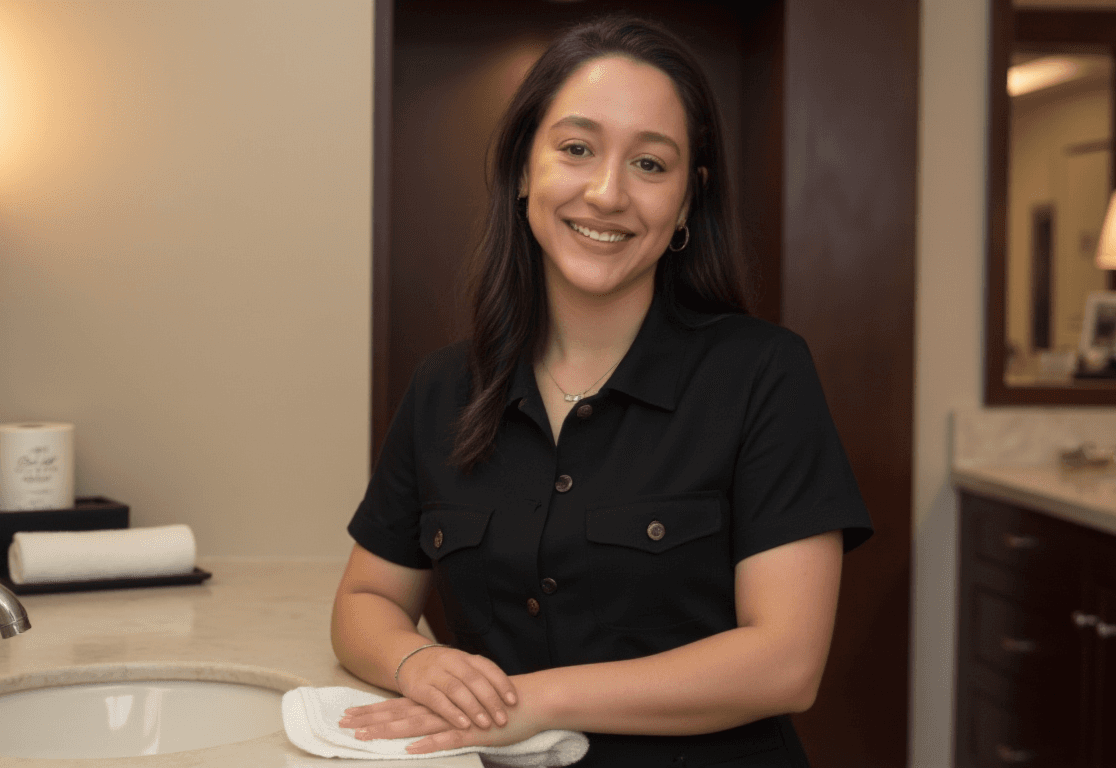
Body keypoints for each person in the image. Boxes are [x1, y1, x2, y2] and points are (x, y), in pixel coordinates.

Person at [331, 15, 873, 768]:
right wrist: (414, 664)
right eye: (577, 150)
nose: (608, 192)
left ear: (687, 200)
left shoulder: (763, 373)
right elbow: (365, 601)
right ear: (525, 170)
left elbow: (786, 662)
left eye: (651, 165)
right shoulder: (443, 388)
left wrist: (530, 701)